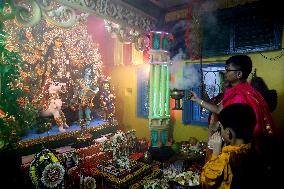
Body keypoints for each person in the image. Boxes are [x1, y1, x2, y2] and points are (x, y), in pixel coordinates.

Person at [190, 55, 275, 150]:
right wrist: (197, 99)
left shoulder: (239, 96)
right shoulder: (239, 91)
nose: (225, 73)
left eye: (228, 70)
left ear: (239, 74)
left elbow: (235, 131)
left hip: (241, 148)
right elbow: (219, 109)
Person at [201, 103, 268, 189]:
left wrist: (215, 154)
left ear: (228, 133)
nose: (220, 131)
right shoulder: (255, 149)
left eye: (221, 128)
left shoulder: (228, 158)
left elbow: (206, 183)